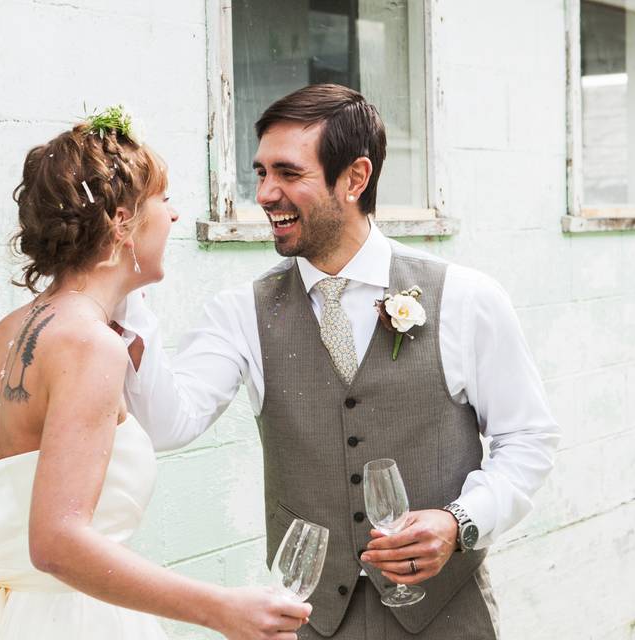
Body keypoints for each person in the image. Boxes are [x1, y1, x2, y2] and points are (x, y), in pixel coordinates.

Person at [119, 85, 561, 639]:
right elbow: (166, 424)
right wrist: (126, 289)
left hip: (447, 616)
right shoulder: (239, 314)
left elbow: (529, 438)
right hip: (309, 621)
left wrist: (460, 522)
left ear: (354, 178)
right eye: (260, 174)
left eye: (288, 173)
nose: (266, 194)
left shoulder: (469, 299)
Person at [0, 106, 311, 640]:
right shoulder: (90, 346)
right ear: (120, 222)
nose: (175, 216)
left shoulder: (4, 333)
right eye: (163, 199)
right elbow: (57, 542)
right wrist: (220, 609)